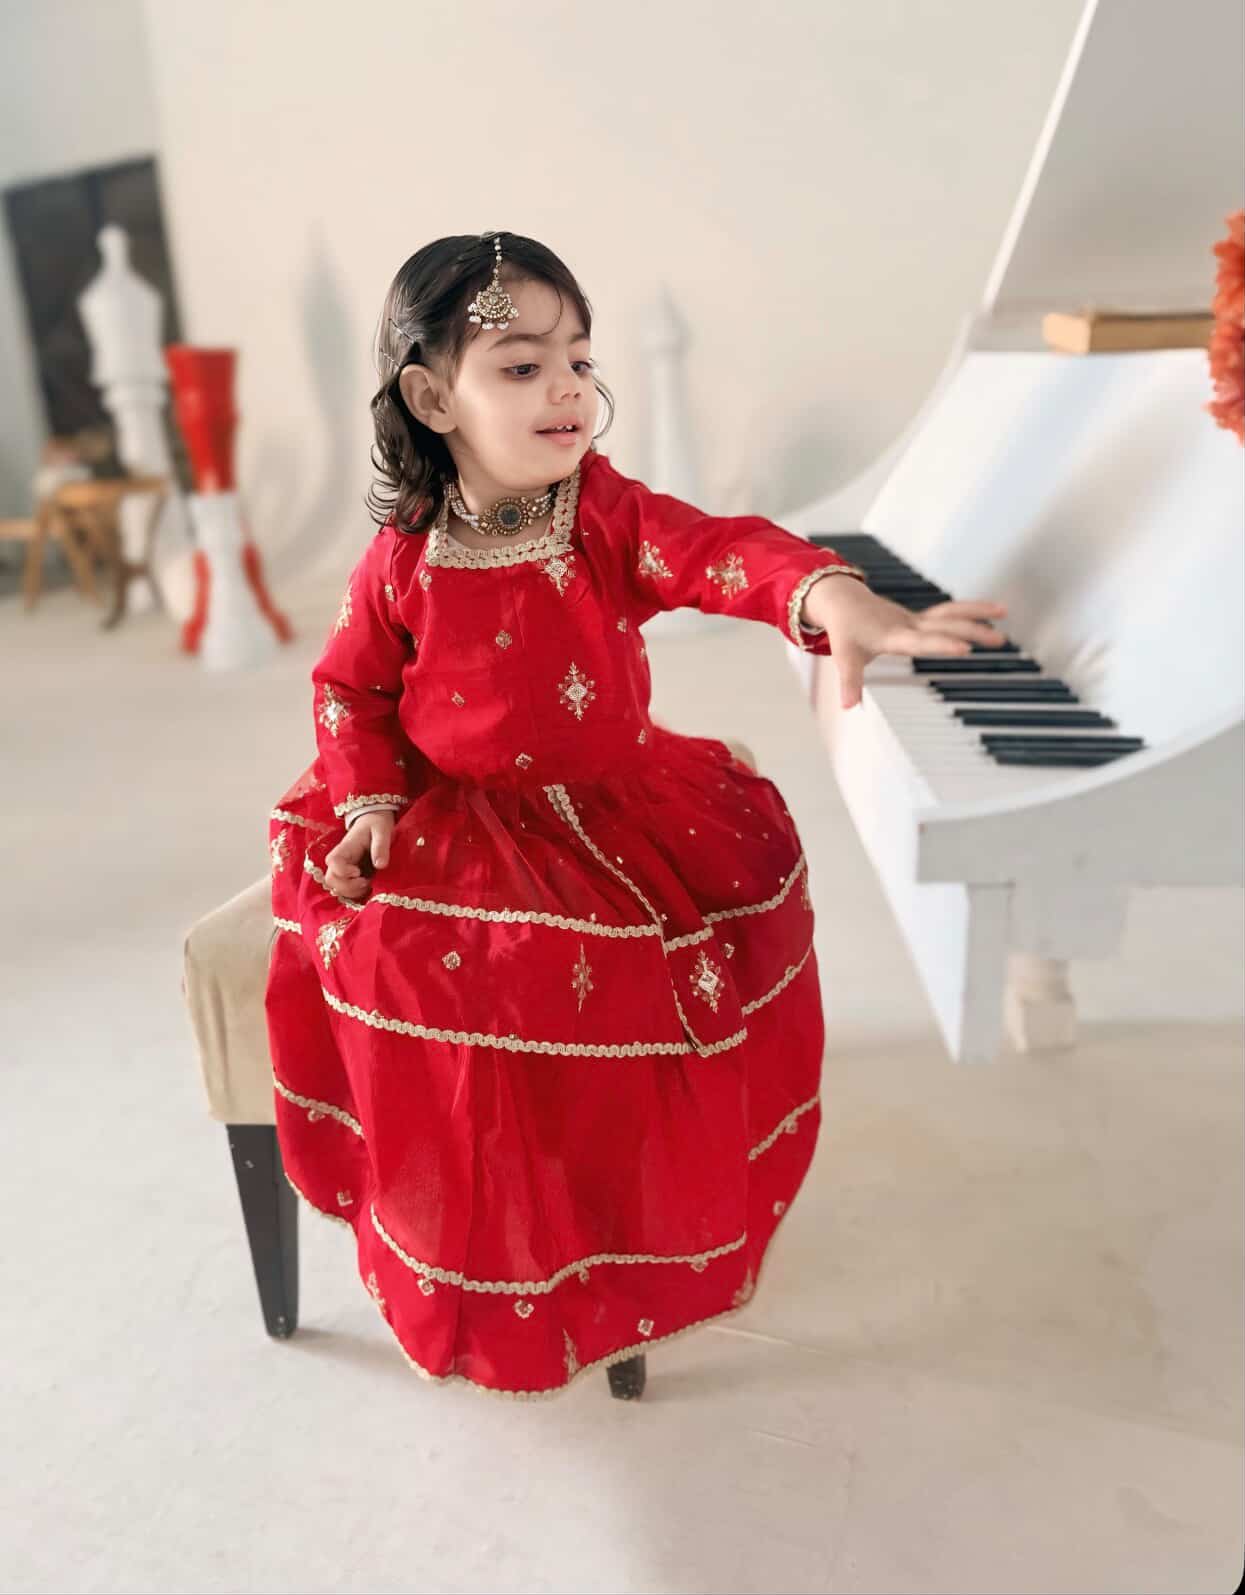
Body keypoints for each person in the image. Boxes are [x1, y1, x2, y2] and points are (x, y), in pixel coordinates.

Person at [264, 231, 1008, 1401]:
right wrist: (367, 803)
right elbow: (350, 689)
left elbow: (719, 553)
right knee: (424, 968)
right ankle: (503, 1249)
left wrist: (827, 591)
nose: (567, 388)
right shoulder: (402, 559)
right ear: (431, 395)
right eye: (520, 365)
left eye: (578, 357)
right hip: (462, 821)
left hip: (613, 812)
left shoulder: (602, 514)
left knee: (672, 954)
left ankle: (621, 1240)